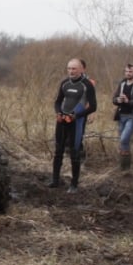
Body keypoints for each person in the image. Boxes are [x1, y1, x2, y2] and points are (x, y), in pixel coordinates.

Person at [49, 58, 97, 194]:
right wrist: (58, 112)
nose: (71, 71)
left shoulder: (87, 85)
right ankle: (55, 180)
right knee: (58, 151)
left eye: (74, 69)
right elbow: (57, 102)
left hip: (76, 122)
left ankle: (74, 184)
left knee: (74, 152)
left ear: (82, 69)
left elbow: (93, 107)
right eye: (69, 68)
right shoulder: (64, 83)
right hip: (62, 120)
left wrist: (76, 116)